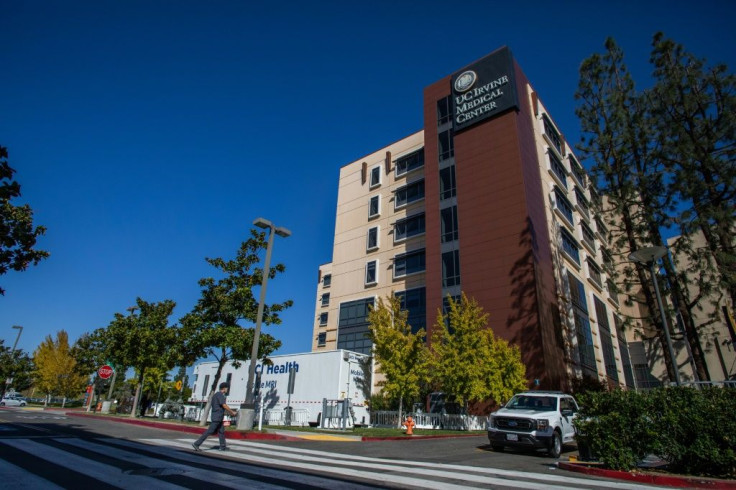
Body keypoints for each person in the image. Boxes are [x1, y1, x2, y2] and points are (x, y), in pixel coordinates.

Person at [192, 382, 237, 451]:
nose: (227, 389)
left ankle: (222, 446)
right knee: (210, 431)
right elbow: (224, 405)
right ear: (224, 388)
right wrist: (232, 412)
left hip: (218, 416)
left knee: (221, 431)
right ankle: (197, 443)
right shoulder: (220, 395)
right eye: (227, 388)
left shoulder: (216, 395)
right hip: (217, 417)